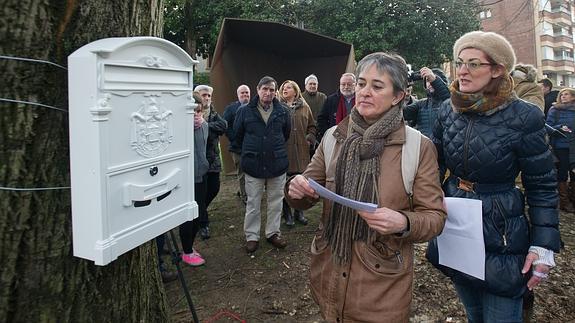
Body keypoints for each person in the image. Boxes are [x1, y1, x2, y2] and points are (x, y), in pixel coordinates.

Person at [286, 52, 447, 322]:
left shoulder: (418, 148)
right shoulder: (334, 137)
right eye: (361, 84)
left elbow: (435, 217)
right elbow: (306, 189)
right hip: (328, 273)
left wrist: (403, 222)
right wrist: (296, 190)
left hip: (381, 289)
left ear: (398, 96)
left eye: (377, 86)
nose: (364, 92)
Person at [427, 31, 561, 322]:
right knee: (473, 313)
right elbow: (431, 165)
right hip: (457, 219)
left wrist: (543, 244)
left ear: (498, 69)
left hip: (502, 225)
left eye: (474, 64)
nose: (462, 71)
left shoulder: (524, 116)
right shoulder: (447, 110)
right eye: (460, 61)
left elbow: (542, 185)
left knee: (501, 313)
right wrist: (427, 204)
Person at [232, 76, 291, 253]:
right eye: (265, 89)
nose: (268, 93)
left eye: (272, 89)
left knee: (276, 201)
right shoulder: (245, 111)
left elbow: (286, 133)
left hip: (277, 164)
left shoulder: (283, 111)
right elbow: (237, 134)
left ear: (275, 92)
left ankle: (273, 233)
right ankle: (252, 236)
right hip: (253, 164)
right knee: (253, 202)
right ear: (257, 90)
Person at [278, 80, 316, 226]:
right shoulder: (278, 107)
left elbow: (312, 126)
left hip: (301, 152)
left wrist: (309, 138)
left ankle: (299, 213)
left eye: (288, 87)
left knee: (301, 183)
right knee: (284, 184)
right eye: (283, 88)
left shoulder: (305, 107)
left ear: (295, 91)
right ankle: (287, 215)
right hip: (284, 151)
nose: (285, 89)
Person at [179, 93, 209, 266]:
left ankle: (189, 245)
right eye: (193, 111)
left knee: (199, 213)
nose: (197, 115)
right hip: (186, 178)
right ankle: (187, 251)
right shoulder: (181, 129)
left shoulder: (204, 126)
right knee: (188, 216)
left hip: (201, 175)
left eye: (199, 111)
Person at [194, 85, 227, 240]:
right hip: (197, 162)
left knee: (214, 189)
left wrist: (206, 125)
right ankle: (203, 222)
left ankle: (200, 212)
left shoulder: (213, 113)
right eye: (204, 95)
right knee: (200, 193)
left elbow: (223, 126)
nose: (207, 98)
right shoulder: (192, 112)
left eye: (209, 95)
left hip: (212, 159)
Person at [547, 87, 575, 213]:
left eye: (566, 94)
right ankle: (564, 202)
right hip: (560, 145)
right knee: (563, 172)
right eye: (562, 94)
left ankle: (573, 198)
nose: (563, 96)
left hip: (573, 145)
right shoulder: (555, 109)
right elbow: (548, 125)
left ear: (573, 97)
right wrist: (559, 127)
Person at [403, 67, 450, 138]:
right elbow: (400, 113)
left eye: (432, 80)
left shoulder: (452, 103)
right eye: (427, 80)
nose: (430, 84)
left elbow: (447, 97)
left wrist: (434, 80)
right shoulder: (421, 104)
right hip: (425, 148)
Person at [223, 84, 251, 204]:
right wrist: (234, 138)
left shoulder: (254, 107)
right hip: (237, 148)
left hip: (252, 147)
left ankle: (250, 193)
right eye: (242, 93)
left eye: (247, 93)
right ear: (238, 95)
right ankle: (245, 196)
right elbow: (225, 125)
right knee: (243, 173)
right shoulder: (231, 109)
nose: (245, 95)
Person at [316, 72, 356, 140]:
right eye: (343, 84)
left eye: (349, 84)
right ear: (340, 85)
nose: (346, 87)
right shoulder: (331, 100)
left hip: (356, 137)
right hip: (335, 138)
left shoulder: (362, 99)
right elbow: (321, 119)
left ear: (355, 85)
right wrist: (328, 133)